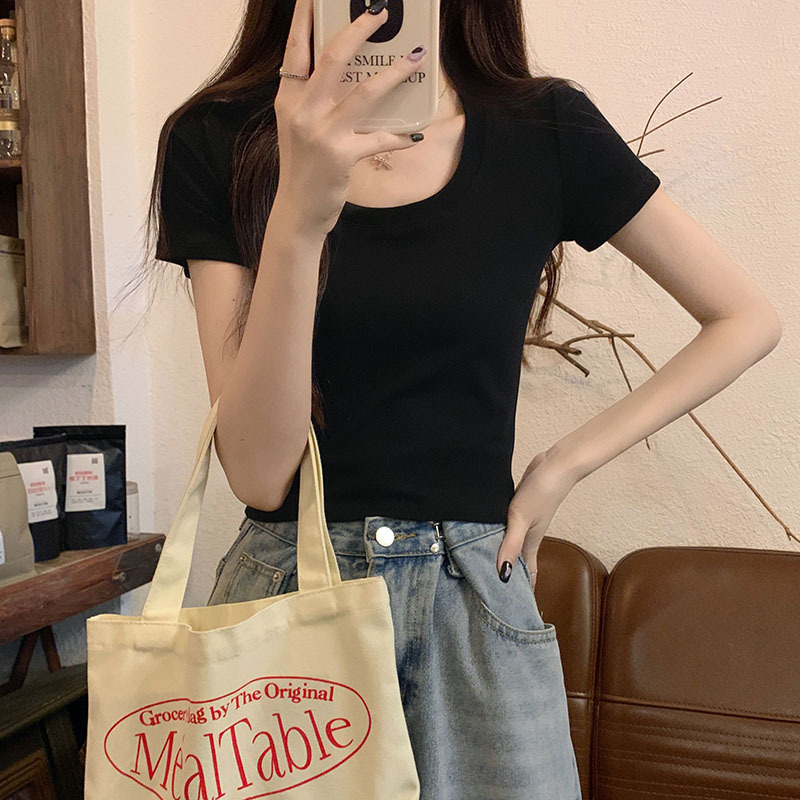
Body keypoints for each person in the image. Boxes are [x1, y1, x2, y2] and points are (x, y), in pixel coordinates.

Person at [148, 1, 782, 798]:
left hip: (475, 597)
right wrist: (301, 216)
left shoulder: (542, 127)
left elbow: (745, 318)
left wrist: (561, 465)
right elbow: (258, 472)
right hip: (287, 595)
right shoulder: (221, 136)